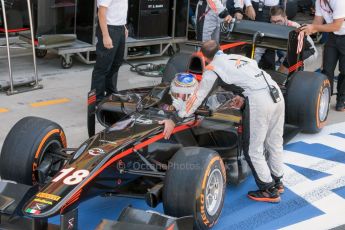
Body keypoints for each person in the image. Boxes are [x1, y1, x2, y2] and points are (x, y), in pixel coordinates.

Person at [162, 40, 285, 203]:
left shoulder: (212, 70)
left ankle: (268, 190)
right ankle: (278, 181)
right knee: (274, 141)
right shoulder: (236, 58)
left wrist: (175, 119)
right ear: (220, 50)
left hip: (259, 101)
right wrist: (241, 96)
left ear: (204, 58)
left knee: (252, 149)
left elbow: (198, 97)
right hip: (275, 93)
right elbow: (253, 77)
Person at [301, 0, 345, 111]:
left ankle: (341, 101)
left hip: (341, 33)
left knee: (344, 71)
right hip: (332, 36)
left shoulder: (339, 1)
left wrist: (313, 28)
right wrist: (307, 30)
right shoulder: (319, 1)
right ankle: (325, 99)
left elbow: (336, 26)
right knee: (327, 69)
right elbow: (317, 22)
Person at [91, 0, 128, 104]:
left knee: (116, 64)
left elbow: (119, 7)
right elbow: (101, 12)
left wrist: (123, 26)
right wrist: (106, 36)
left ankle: (111, 93)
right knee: (102, 67)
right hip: (109, 29)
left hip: (119, 28)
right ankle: (95, 101)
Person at [269, 6, 318, 73]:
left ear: (285, 18)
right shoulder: (271, 27)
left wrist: (283, 68)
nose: (276, 24)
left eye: (279, 21)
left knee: (284, 73)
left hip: (309, 52)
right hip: (292, 52)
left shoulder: (294, 27)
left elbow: (296, 53)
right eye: (273, 21)